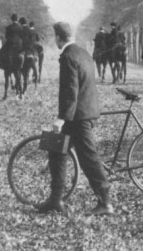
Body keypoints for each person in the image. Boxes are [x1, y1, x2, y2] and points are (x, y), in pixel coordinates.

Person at [37, 21, 113, 216]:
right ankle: (55, 200)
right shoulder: (82, 52)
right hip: (82, 112)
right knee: (54, 146)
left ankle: (105, 202)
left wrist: (62, 118)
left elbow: (71, 91)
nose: (55, 40)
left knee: (88, 158)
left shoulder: (68, 57)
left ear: (59, 38)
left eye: (55, 37)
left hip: (78, 116)